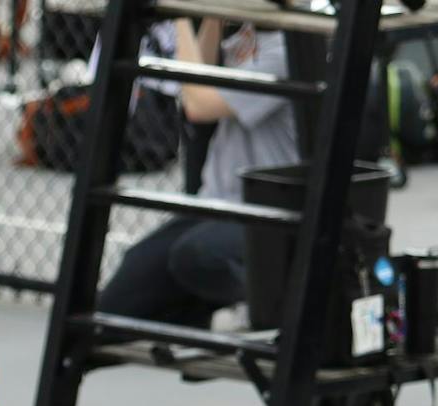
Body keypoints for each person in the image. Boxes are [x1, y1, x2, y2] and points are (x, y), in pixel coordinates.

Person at [97, 20, 300, 328]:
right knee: (116, 304)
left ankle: (269, 311)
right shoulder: (252, 30)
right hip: (217, 201)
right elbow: (201, 72)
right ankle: (206, 319)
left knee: (198, 256)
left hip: (266, 209)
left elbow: (199, 105)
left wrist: (180, 20)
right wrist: (211, 16)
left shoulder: (291, 49)